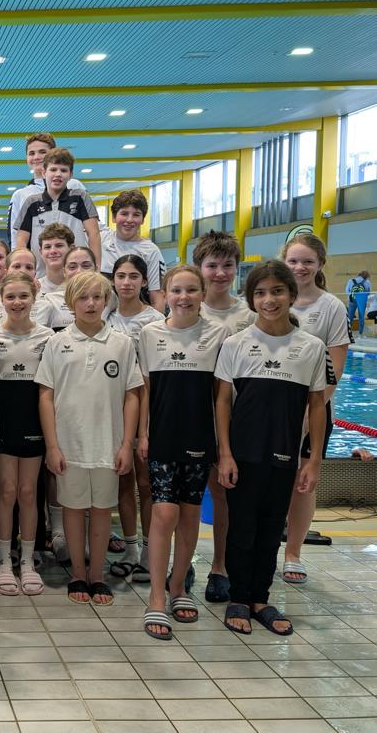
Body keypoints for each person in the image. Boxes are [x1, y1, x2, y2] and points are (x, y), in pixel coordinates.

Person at [215, 260, 328, 636]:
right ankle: (238, 597)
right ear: (251, 300)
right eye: (260, 293)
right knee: (241, 527)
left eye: (277, 291)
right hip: (243, 453)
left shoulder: (311, 347)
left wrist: (313, 459)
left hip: (284, 454)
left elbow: (316, 405)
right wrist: (225, 453)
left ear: (291, 295)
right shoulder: (236, 344)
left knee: (270, 528)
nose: (269, 300)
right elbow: (223, 402)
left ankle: (260, 599)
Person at [36, 272, 142, 606]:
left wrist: (126, 444)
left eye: (97, 297)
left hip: (108, 445)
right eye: (83, 297)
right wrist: (52, 446)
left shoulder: (122, 343)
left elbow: (132, 395)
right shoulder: (57, 343)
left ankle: (98, 575)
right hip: (69, 445)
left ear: (107, 300)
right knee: (72, 508)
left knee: (101, 510)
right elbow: (45, 396)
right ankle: (78, 574)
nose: (91, 303)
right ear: (71, 302)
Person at [138, 267, 228, 640]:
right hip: (162, 434)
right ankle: (157, 595)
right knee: (164, 513)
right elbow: (144, 389)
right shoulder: (150, 334)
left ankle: (178, 586)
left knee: (190, 514)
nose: (184, 297)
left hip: (199, 436)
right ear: (165, 294)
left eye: (192, 290)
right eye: (177, 290)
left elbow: (221, 396)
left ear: (203, 293)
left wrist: (222, 447)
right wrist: (142, 433)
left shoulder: (218, 334)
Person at [0, 273, 55, 599]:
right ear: (0, 300)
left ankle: (27, 560)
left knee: (28, 492)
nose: (17, 302)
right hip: (3, 423)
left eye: (23, 296)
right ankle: (4, 560)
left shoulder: (48, 337)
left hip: (33, 420)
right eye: (10, 296)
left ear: (34, 297)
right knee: (7, 491)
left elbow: (51, 388)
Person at [281, 234, 349, 584]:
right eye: (293, 261)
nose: (300, 267)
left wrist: (312, 413)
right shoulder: (272, 298)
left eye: (308, 261)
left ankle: (293, 553)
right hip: (272, 409)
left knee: (303, 482)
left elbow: (335, 367)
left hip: (314, 410)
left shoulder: (331, 307)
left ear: (320, 264)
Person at [192, 230, 254, 602]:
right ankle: (181, 563)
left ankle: (220, 566)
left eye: (227, 265)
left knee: (223, 493)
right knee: (183, 496)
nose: (219, 273)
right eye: (212, 265)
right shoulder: (186, 306)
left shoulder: (248, 315)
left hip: (234, 415)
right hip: (192, 413)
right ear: (199, 268)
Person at [106, 255, 164, 580]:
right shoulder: (107, 316)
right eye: (121, 276)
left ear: (144, 281)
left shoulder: (155, 321)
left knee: (146, 482)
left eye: (133, 276)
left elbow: (151, 378)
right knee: (123, 481)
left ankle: (150, 550)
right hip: (114, 409)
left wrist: (145, 428)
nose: (126, 282)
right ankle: (130, 548)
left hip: (146, 408)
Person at [16, 148, 101, 274]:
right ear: (44, 173)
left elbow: (94, 233)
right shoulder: (31, 203)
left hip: (77, 274)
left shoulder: (80, 197)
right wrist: (23, 272)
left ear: (71, 175)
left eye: (63, 170)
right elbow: (21, 240)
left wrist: (96, 269)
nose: (58, 174)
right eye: (53, 169)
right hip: (41, 274)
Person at [7, 132, 88, 248]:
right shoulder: (20, 195)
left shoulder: (74, 186)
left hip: (74, 256)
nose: (36, 157)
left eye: (42, 152)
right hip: (39, 258)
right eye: (31, 153)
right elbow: (14, 237)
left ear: (53, 153)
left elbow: (93, 228)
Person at [99, 190, 166, 312]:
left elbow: (157, 298)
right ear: (113, 217)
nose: (129, 220)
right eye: (124, 213)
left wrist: (157, 323)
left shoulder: (151, 251)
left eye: (136, 215)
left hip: (136, 319)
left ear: (143, 219)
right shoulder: (100, 240)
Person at [37, 223, 74, 295]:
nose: (53, 251)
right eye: (47, 247)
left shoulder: (83, 286)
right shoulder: (33, 289)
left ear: (72, 249)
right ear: (41, 252)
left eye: (59, 245)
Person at [346, 270, 371, 338]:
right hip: (362, 300)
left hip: (352, 299)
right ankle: (361, 334)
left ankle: (348, 334)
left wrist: (351, 296)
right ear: (366, 276)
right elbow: (368, 292)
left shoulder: (351, 281)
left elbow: (347, 290)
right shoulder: (367, 282)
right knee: (361, 317)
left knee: (350, 317)